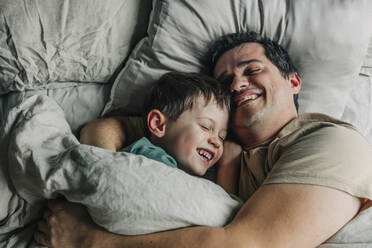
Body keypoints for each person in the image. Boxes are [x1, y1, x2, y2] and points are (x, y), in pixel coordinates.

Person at [35, 31, 372, 248]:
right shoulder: (209, 144)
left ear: (294, 81)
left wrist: (91, 239)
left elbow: (246, 246)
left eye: (252, 70)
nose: (237, 84)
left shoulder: (333, 143)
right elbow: (111, 128)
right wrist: (98, 190)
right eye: (226, 81)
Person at [116, 71, 230, 177]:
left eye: (222, 137)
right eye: (205, 127)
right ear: (158, 125)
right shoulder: (150, 157)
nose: (217, 142)